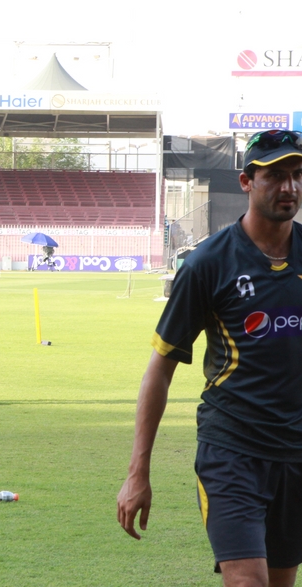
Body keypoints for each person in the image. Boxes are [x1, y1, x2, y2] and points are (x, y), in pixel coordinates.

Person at [117, 129, 302, 587]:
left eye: (298, 175)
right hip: (233, 450)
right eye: (275, 175)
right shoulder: (207, 264)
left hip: (296, 454)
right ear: (246, 182)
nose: (290, 187)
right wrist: (138, 472)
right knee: (247, 582)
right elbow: (159, 370)